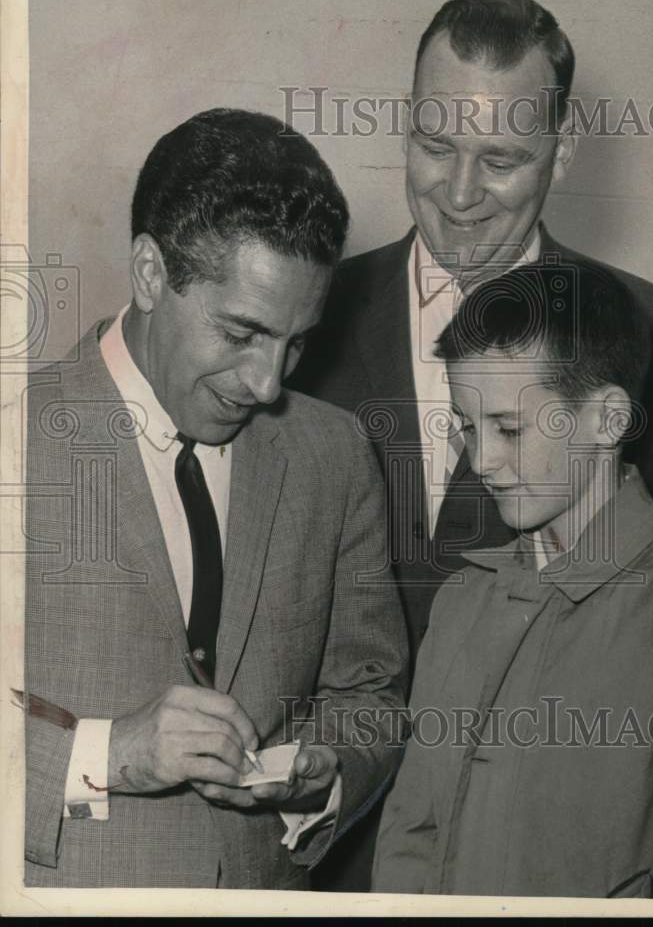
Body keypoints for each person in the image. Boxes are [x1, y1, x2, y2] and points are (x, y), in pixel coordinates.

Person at [293, 0, 653, 890]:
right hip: (315, 858)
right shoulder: (296, 326)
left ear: (561, 157)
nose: (457, 193)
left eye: (500, 159)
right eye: (435, 146)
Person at [23, 108, 408, 889]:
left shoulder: (333, 454)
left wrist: (326, 773)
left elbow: (371, 691)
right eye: (240, 333)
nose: (269, 384)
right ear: (151, 274)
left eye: (295, 342)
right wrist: (112, 755)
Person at [372, 261, 653, 898]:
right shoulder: (464, 600)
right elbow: (409, 838)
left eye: (510, 429)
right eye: (468, 429)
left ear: (609, 420)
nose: (483, 461)